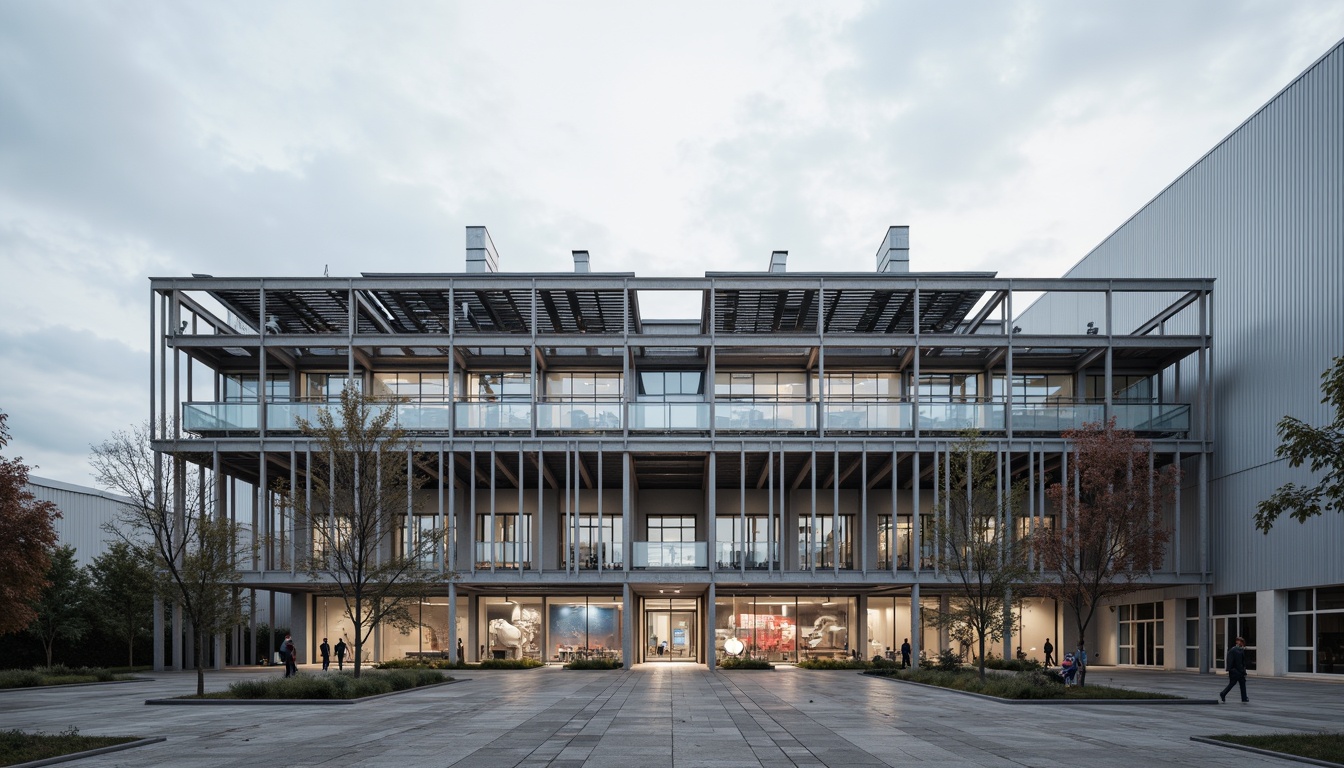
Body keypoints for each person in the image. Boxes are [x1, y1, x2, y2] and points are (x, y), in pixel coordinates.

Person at [1219, 636, 1249, 703]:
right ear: (1238, 642)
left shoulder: (1237, 650)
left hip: (1236, 671)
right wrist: (1239, 671)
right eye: (1241, 642)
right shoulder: (1235, 650)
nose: (1242, 644)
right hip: (1236, 671)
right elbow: (1236, 662)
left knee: (1235, 683)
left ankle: (1223, 693)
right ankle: (1243, 698)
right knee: (1239, 683)